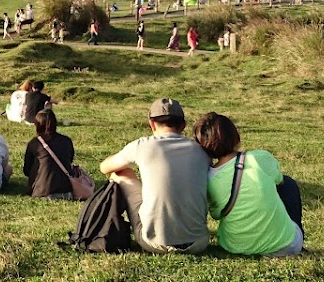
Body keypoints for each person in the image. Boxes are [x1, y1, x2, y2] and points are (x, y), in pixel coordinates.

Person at [97, 97, 209, 253]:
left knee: (120, 173)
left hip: (154, 243)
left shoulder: (141, 145)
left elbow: (105, 167)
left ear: (152, 123)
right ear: (183, 125)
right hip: (199, 243)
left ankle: (113, 228)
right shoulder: (201, 151)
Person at [193, 112, 302, 257]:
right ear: (235, 136)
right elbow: (279, 181)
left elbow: (216, 214)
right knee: (288, 184)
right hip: (286, 247)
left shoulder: (209, 178)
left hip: (235, 247)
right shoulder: (260, 158)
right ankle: (290, 239)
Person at [22, 108, 75, 199]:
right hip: (66, 191)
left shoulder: (34, 143)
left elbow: (26, 170)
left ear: (37, 125)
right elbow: (70, 161)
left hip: (42, 192)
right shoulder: (67, 141)